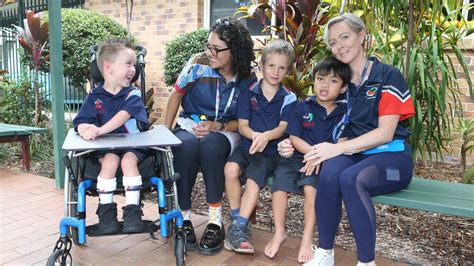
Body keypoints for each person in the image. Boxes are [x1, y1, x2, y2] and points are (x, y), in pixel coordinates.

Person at [278, 13, 415, 266]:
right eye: (332, 42)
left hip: (393, 158)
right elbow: (321, 125)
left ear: (361, 36)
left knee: (351, 179)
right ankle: (326, 253)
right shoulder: (340, 84)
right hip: (356, 154)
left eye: (344, 37)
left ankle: (366, 262)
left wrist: (335, 149)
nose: (339, 46)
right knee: (330, 174)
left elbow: (385, 132)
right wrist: (292, 144)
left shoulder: (387, 76)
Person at [163, 17, 257, 256]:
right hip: (190, 124)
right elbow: (176, 95)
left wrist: (218, 126)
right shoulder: (197, 64)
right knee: (185, 146)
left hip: (225, 131)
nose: (210, 52)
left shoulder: (248, 78)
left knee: (212, 145)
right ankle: (183, 219)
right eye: (209, 46)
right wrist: (166, 130)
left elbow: (245, 121)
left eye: (217, 49)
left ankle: (215, 220)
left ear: (234, 51)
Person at [265, 57, 350, 263]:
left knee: (312, 191)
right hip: (296, 158)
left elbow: (341, 143)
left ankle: (307, 237)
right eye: (320, 79)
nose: (324, 85)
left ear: (343, 87)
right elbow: (294, 138)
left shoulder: (344, 114)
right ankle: (279, 232)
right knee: (279, 188)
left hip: (320, 164)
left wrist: (319, 157)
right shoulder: (302, 107)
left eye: (333, 81)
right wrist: (313, 153)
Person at [223, 39, 296, 254]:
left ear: (287, 70)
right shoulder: (249, 92)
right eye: (271, 65)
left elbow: (283, 127)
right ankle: (238, 221)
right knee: (230, 169)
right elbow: (243, 126)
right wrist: (256, 136)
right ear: (262, 65)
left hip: (270, 153)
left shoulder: (288, 97)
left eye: (282, 67)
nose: (276, 71)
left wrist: (266, 137)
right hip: (248, 145)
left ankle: (238, 228)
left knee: (254, 180)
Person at [73, 39, 148, 234]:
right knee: (110, 161)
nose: (134, 69)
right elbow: (80, 120)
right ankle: (106, 212)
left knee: (129, 160)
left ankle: (132, 212)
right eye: (128, 64)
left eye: (135, 64)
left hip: (132, 145)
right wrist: (84, 129)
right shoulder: (94, 97)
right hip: (107, 148)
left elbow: (122, 116)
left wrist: (99, 130)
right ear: (108, 67)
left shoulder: (133, 94)